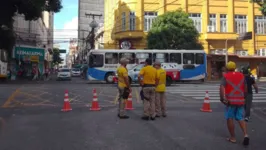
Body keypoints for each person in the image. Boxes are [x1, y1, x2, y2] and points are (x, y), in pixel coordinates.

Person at [220, 61, 249, 146]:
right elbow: (245, 88)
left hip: (230, 101)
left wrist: (222, 99)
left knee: (230, 118)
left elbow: (222, 88)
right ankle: (245, 134)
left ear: (227, 68)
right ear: (235, 67)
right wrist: (244, 97)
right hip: (240, 101)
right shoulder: (241, 75)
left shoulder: (226, 76)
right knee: (240, 118)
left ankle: (233, 137)